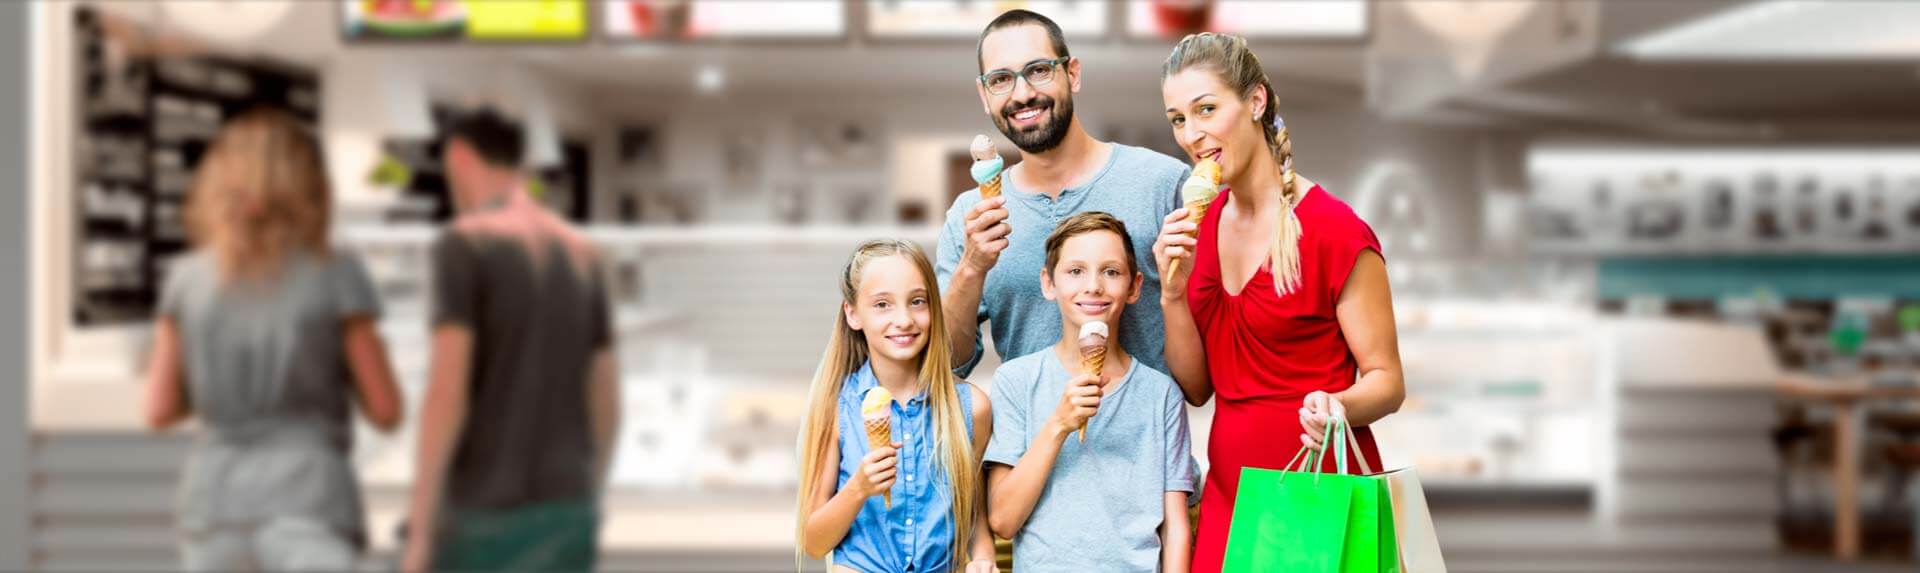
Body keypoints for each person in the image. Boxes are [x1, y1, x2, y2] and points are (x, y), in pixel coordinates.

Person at [1152, 33, 1407, 572]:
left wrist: (1339, 404)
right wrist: (1172, 294)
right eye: (1178, 119)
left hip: (1317, 497)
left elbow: (1387, 380)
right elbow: (1199, 389)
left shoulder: (1335, 230)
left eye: (1206, 109)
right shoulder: (1199, 227)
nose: (1192, 135)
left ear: (1256, 101)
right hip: (1228, 495)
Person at [144, 109, 404, 570]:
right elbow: (385, 410)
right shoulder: (337, 272)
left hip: (213, 507)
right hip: (310, 503)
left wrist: (222, 390)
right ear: (310, 185)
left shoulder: (184, 279)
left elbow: (160, 409)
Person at [401, 108, 621, 572]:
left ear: (459, 156)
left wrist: (419, 533)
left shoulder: (464, 245)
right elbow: (606, 397)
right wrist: (588, 496)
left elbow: (447, 392)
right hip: (568, 509)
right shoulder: (583, 253)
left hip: (485, 515)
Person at [939, 9, 1189, 379]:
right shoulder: (968, 214)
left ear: (1072, 73)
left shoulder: (1164, 184)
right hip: (1031, 437)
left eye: (1039, 70)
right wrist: (971, 269)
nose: (1022, 94)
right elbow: (946, 363)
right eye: (1001, 79)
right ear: (984, 93)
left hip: (1148, 432)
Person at [984, 213, 1195, 572]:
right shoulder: (1016, 381)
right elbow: (1003, 520)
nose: (1093, 286)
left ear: (1134, 287)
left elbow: (1175, 526)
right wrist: (1059, 424)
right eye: (1075, 271)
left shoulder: (1161, 395)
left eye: (1111, 272)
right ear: (1049, 284)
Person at [796, 239, 997, 573]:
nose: (903, 320)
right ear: (853, 313)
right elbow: (814, 542)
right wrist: (859, 488)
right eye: (882, 305)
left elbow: (974, 519)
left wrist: (984, 559)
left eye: (917, 302)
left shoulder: (971, 408)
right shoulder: (836, 408)